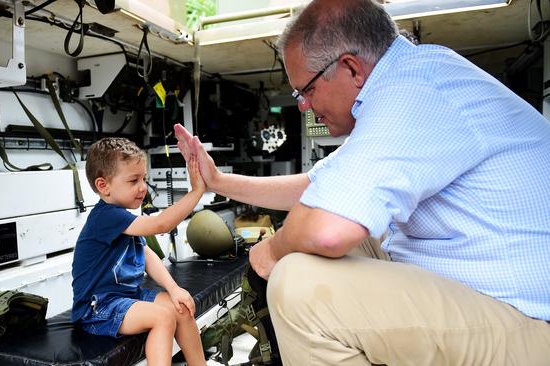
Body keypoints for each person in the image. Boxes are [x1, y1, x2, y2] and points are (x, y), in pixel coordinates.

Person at [174, 0, 550, 364]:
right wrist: (217, 182)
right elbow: (317, 186)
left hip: (527, 322)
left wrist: (273, 250)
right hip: (487, 298)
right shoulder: (410, 84)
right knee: (345, 237)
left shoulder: (414, 91)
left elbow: (326, 231)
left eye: (306, 90)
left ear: (351, 68)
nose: (304, 106)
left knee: (298, 284)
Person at [71, 137, 207, 366]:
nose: (143, 187)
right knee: (163, 318)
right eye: (134, 180)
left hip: (126, 298)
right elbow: (161, 225)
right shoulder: (106, 216)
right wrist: (196, 192)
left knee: (180, 309)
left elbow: (145, 255)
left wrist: (174, 290)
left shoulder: (123, 218)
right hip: (98, 308)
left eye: (143, 178)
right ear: (103, 186)